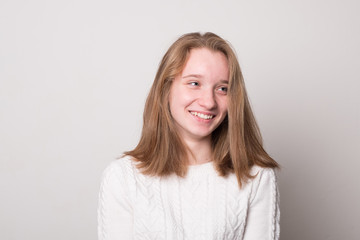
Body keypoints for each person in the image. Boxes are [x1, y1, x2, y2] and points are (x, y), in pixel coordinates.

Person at [98, 32, 280, 240]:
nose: (209, 102)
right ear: (166, 89)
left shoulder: (255, 177)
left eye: (222, 88)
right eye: (194, 83)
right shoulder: (123, 178)